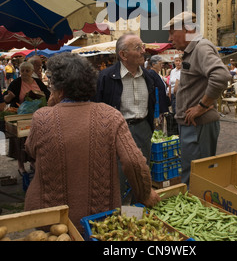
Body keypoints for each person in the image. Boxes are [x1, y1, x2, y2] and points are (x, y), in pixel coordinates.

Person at [24, 53, 159, 231]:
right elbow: (133, 160)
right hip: (97, 219)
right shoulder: (111, 115)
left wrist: (51, 108)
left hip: (51, 219)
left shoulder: (42, 117)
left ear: (60, 89)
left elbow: (31, 150)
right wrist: (145, 193)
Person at [165, 11, 232, 186]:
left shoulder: (201, 47)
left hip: (198, 123)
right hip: (192, 124)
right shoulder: (192, 50)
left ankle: (199, 208)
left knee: (198, 176)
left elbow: (221, 76)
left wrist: (201, 106)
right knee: (192, 172)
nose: (170, 38)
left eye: (173, 32)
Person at [95, 33, 155, 166]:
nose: (143, 51)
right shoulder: (106, 77)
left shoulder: (148, 77)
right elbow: (96, 108)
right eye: (138, 48)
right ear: (123, 55)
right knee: (118, 175)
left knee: (142, 173)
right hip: (117, 132)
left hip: (143, 129)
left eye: (143, 47)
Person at [3, 61, 50, 175]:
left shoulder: (38, 82)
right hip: (20, 115)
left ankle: (32, 162)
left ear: (32, 72)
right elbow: (6, 99)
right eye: (22, 70)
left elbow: (48, 95)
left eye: (27, 71)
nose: (24, 73)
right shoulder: (16, 83)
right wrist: (9, 96)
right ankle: (21, 166)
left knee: (34, 140)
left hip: (37, 116)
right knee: (21, 141)